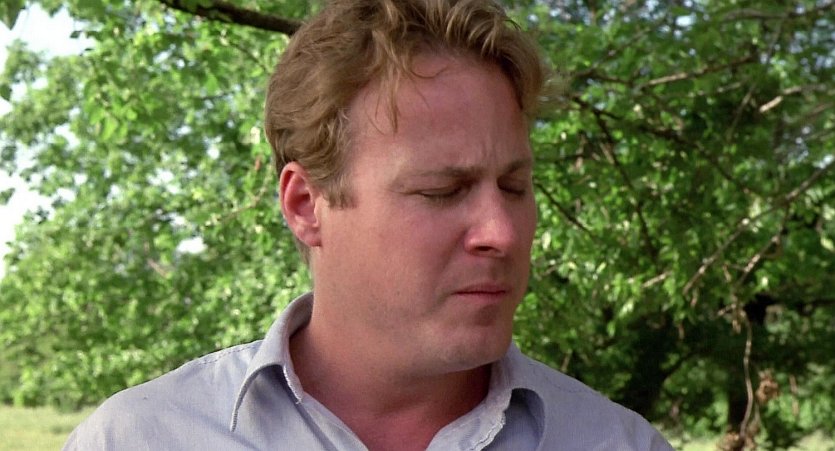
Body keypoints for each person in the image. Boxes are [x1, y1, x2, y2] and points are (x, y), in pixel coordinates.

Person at [64, 0, 674, 449]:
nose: (503, 232)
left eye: (515, 187)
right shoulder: (139, 439)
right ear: (306, 205)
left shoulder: (617, 443)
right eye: (441, 191)